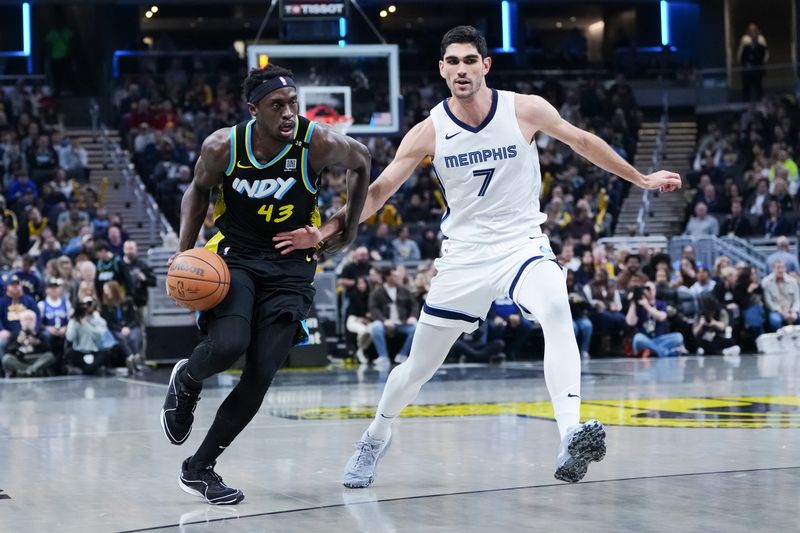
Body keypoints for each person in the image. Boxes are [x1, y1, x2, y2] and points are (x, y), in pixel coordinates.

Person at [274, 26, 681, 486]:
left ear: (486, 65)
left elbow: (582, 141)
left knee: (555, 306)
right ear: (442, 69)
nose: (462, 69)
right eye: (454, 62)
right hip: (465, 257)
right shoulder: (428, 130)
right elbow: (379, 191)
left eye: (471, 60)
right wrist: (325, 232)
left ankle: (570, 431)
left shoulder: (524, 108)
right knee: (415, 370)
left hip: (522, 244)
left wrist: (641, 179)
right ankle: (375, 435)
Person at [159, 63, 371, 505]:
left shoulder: (318, 142)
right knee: (229, 344)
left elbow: (363, 162)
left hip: (293, 267)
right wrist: (185, 252)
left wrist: (341, 231)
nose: (289, 112)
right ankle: (189, 378)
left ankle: (198, 468)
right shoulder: (223, 146)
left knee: (259, 376)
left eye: (293, 103)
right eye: (278, 105)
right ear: (254, 109)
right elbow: (197, 191)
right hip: (236, 256)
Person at [368, 266, 419, 367]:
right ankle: (383, 356)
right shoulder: (377, 292)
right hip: (385, 323)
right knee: (376, 326)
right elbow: (373, 309)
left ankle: (402, 354)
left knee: (416, 328)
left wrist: (412, 316)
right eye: (394, 275)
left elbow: (414, 305)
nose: (398, 277)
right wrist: (384, 320)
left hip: (402, 322)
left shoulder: (404, 290)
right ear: (387, 277)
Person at [2, 310, 56, 377]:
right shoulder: (15, 334)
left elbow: (49, 349)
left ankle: (27, 371)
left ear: (35, 321)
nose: (28, 321)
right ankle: (31, 371)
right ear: (21, 321)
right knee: (6, 359)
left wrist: (37, 343)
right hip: (21, 359)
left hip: (36, 359)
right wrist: (18, 343)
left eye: (31, 319)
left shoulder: (39, 333)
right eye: (25, 319)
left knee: (50, 356)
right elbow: (7, 351)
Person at [761, 260, 800, 331]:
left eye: (782, 267)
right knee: (775, 321)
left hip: (791, 310)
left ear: (785, 268)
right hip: (776, 310)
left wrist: (794, 311)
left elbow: (797, 299)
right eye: (778, 268)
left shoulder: (792, 281)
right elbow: (769, 303)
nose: (780, 270)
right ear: (773, 269)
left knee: (798, 317)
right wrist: (781, 312)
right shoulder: (766, 282)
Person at [737, 23, 768, 102]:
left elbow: (765, 52)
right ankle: (746, 102)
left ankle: (759, 101)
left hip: (758, 66)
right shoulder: (745, 39)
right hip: (747, 67)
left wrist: (763, 62)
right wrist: (741, 61)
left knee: (758, 86)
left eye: (754, 29)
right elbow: (741, 52)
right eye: (751, 29)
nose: (752, 31)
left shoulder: (761, 39)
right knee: (746, 87)